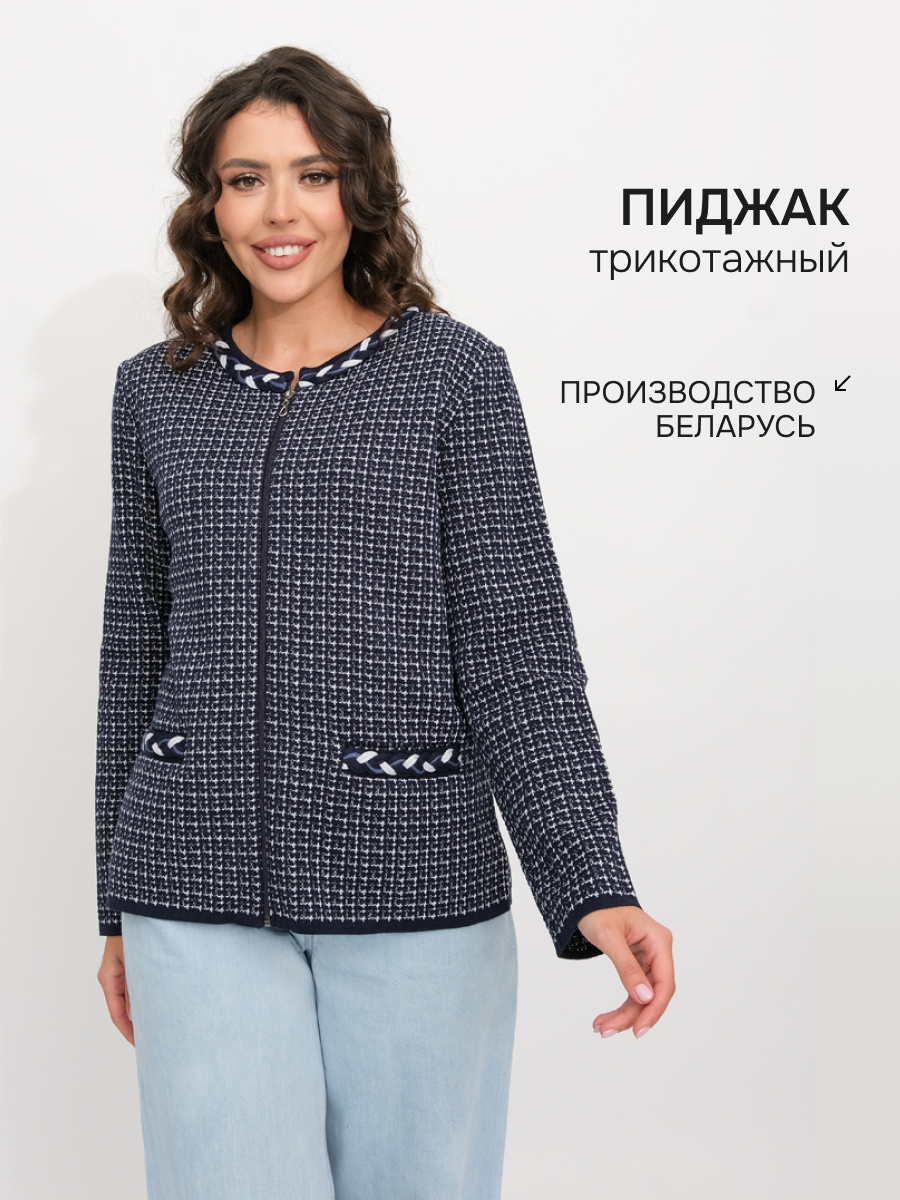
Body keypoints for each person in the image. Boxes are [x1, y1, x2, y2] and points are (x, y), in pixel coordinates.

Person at [95, 45, 675, 1200]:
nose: (281, 211)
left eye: (313, 175)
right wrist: (115, 908)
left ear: (360, 191)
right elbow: (134, 652)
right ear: (210, 206)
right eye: (246, 179)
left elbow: (518, 649)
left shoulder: (455, 377)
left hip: (413, 884)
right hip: (189, 890)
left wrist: (592, 880)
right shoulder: (155, 390)